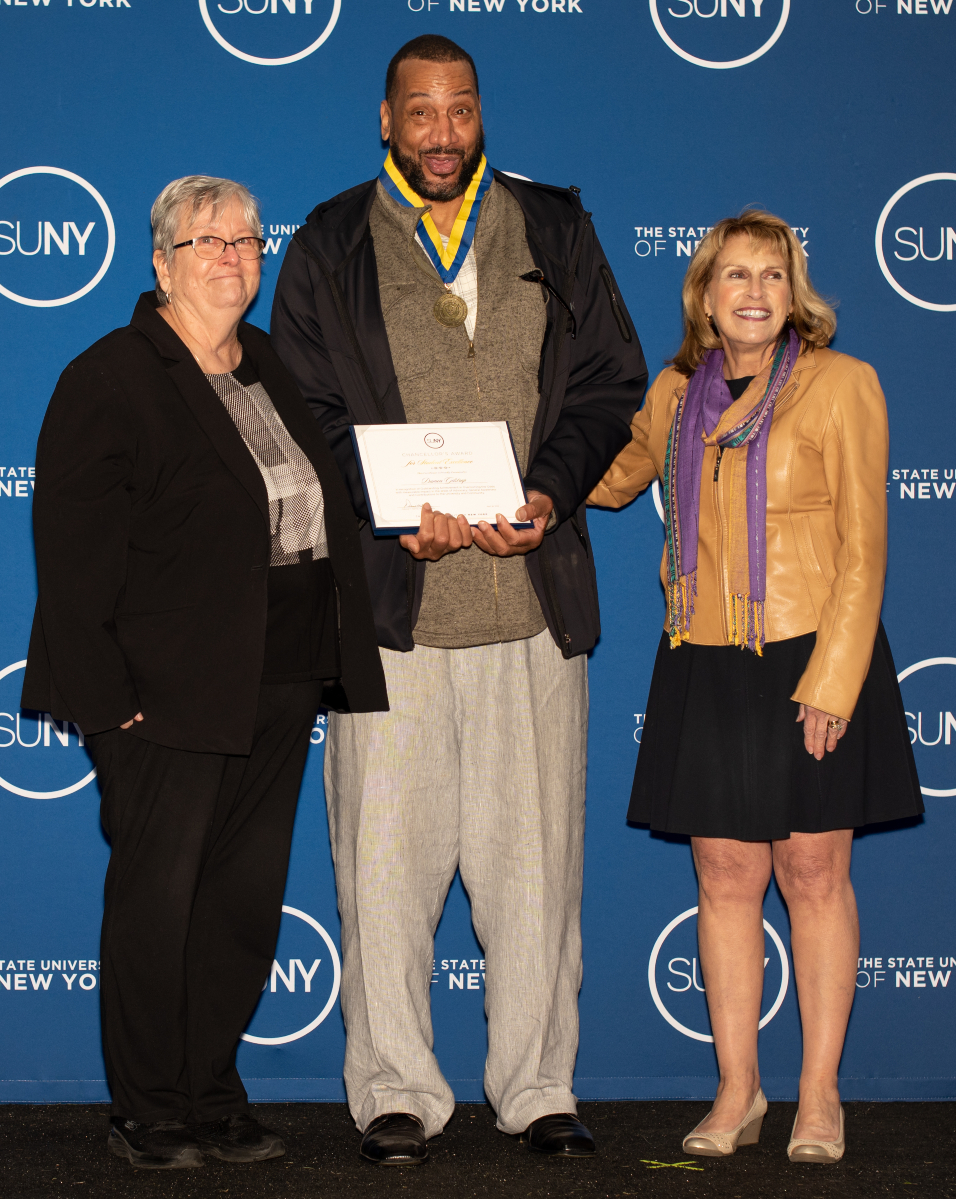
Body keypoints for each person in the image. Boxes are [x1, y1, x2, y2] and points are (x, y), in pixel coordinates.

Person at [271, 35, 647, 1165]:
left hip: (532, 609)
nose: (441, 133)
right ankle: (395, 1090)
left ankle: (537, 1088)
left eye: (460, 110)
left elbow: (609, 382)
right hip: (394, 618)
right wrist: (390, 505)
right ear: (384, 121)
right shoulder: (331, 240)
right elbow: (304, 402)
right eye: (419, 113)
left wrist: (549, 483)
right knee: (382, 870)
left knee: (534, 872)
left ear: (481, 115)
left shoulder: (553, 228)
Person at [22, 176, 388, 1170]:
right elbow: (72, 553)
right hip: (159, 692)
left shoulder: (263, 362)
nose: (232, 257)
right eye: (206, 242)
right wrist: (109, 701)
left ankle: (211, 1088)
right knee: (159, 899)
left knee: (239, 897)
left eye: (245, 240)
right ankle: (148, 1107)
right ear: (161, 262)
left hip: (273, 676)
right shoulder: (111, 376)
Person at [589, 209, 923, 1165]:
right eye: (734, 275)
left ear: (794, 291)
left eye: (772, 275)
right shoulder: (676, 392)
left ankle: (820, 1095)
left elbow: (866, 549)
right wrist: (522, 463)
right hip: (702, 656)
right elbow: (610, 479)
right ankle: (738, 1090)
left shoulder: (842, 383)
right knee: (725, 878)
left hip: (810, 654)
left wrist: (834, 681)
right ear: (704, 294)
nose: (753, 292)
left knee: (813, 874)